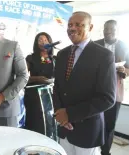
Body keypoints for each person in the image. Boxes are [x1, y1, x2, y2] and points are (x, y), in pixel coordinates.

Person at [53, 11, 116, 155]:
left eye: (78, 25)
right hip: (64, 129)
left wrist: (70, 114)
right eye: (70, 25)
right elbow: (57, 87)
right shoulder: (62, 54)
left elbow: (107, 98)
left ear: (91, 27)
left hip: (87, 131)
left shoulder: (104, 56)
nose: (72, 28)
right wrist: (60, 114)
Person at [95, 20, 129, 155]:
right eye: (105, 29)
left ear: (117, 30)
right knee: (94, 121)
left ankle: (105, 152)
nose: (108, 32)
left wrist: (124, 70)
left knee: (110, 124)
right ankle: (92, 148)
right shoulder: (95, 44)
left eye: (111, 29)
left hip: (115, 90)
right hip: (95, 90)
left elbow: (128, 68)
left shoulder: (124, 46)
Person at [24, 32, 56, 137]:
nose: (43, 42)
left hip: (51, 96)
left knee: (50, 123)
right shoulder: (31, 58)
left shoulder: (55, 59)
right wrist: (38, 79)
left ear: (50, 42)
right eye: (40, 40)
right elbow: (22, 78)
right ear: (36, 44)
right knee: (36, 124)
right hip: (34, 97)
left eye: (45, 40)